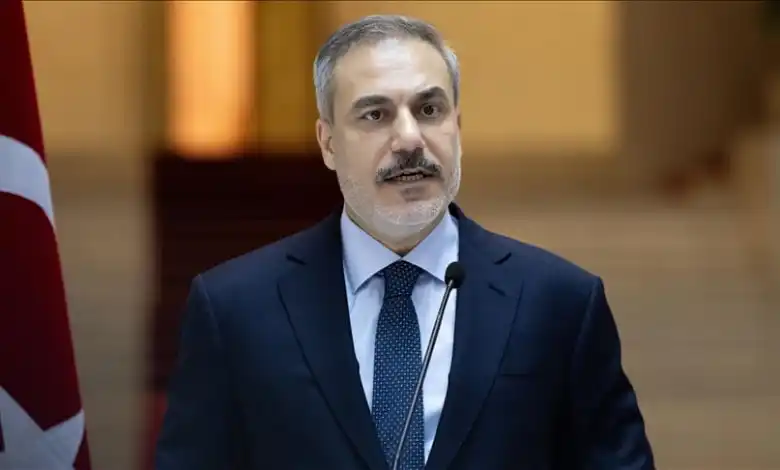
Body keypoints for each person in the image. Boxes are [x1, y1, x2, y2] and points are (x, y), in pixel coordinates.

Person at [154, 14, 655, 470]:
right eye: (375, 115)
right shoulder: (235, 309)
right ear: (328, 143)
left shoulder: (560, 302)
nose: (410, 139)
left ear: (457, 126)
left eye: (429, 109)